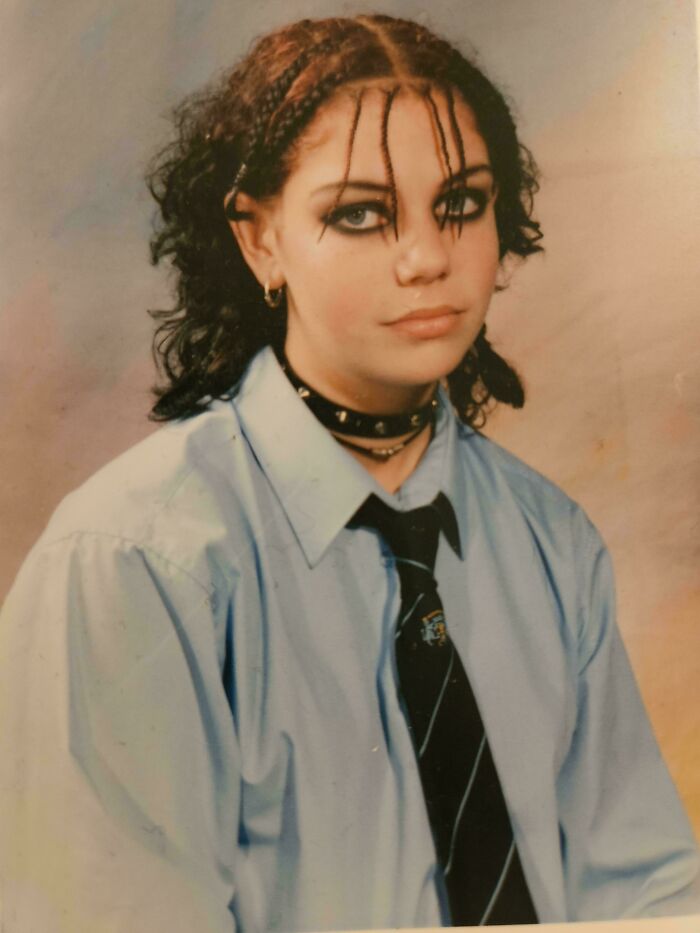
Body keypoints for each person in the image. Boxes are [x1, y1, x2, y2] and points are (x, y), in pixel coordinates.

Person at [0, 13, 698, 932]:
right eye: (360, 214)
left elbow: (651, 899)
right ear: (259, 240)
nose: (428, 258)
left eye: (462, 204)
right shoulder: (134, 564)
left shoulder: (552, 542)